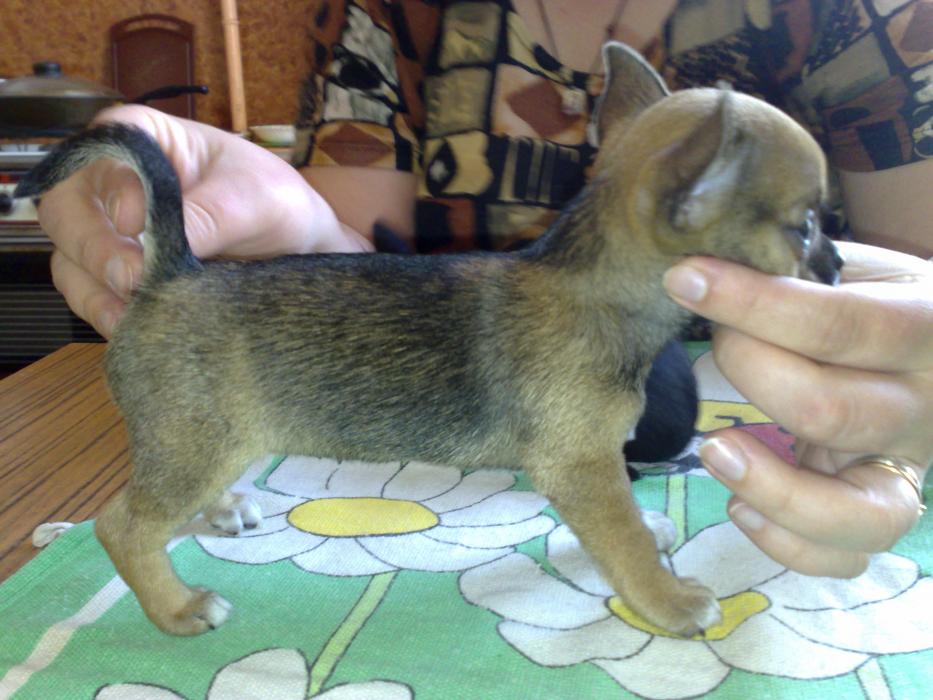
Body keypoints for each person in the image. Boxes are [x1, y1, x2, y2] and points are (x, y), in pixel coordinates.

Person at [36, 1, 932, 579]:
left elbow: (909, 276)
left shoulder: (859, 21)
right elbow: (366, 280)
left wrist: (906, 430)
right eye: (795, 224)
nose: (809, 249)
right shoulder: (387, 16)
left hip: (772, 437)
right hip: (473, 426)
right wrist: (301, 232)